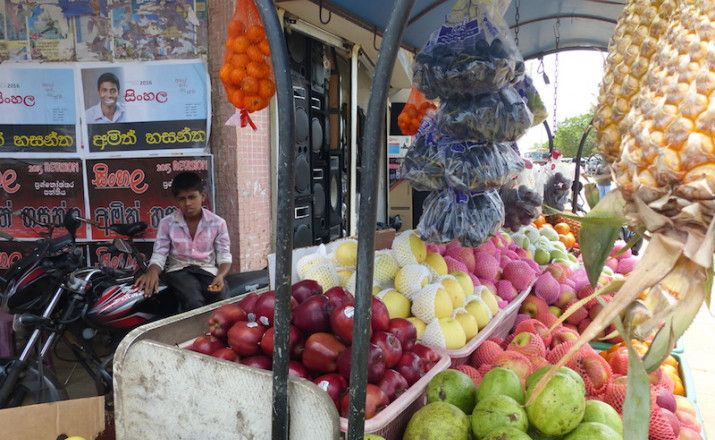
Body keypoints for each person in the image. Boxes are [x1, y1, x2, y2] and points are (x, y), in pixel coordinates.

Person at [134, 172, 232, 311]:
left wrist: (221, 276)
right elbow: (159, 254)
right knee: (193, 300)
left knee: (222, 296)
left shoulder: (218, 223)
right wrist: (152, 272)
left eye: (192, 197)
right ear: (176, 200)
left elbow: (224, 255)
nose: (187, 203)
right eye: (182, 199)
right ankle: (194, 333)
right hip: (179, 271)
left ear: (202, 196)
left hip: (206, 270)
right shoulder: (167, 223)